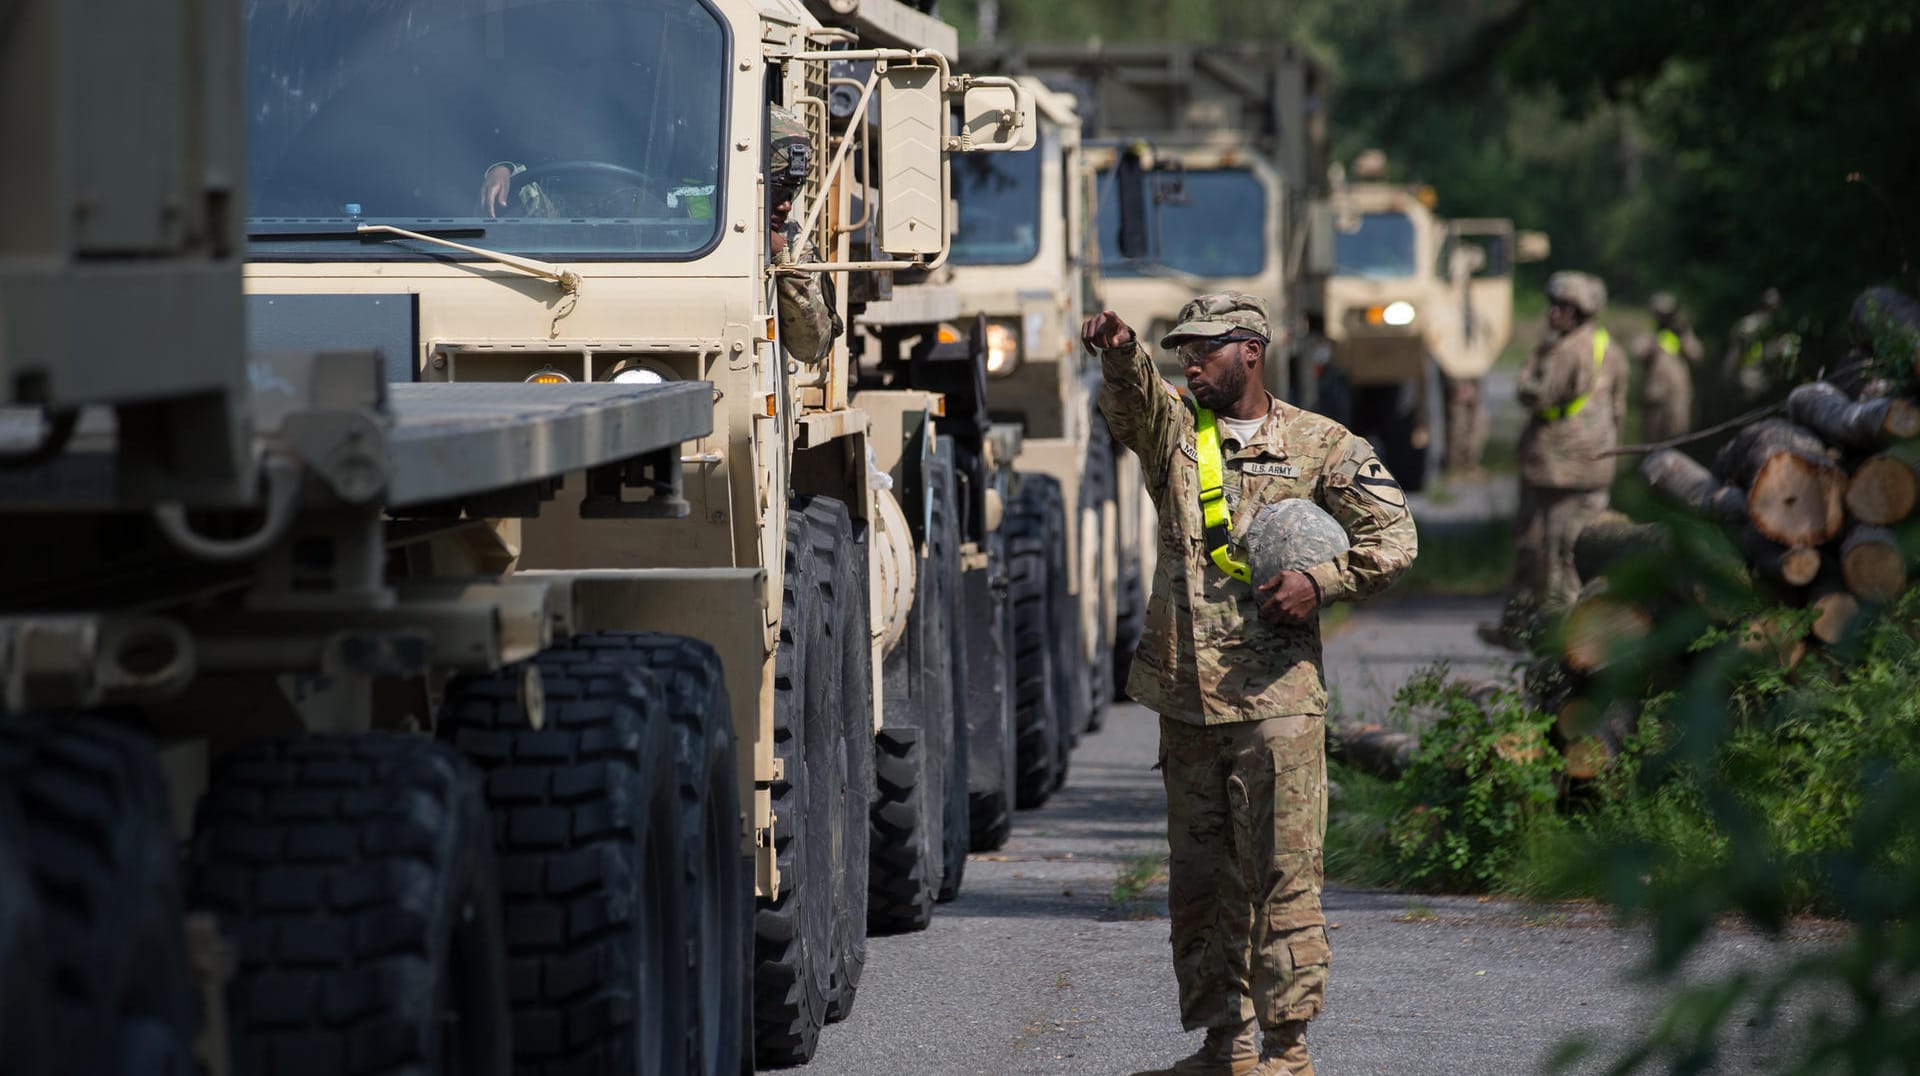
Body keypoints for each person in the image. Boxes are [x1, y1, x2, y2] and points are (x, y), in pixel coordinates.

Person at [1087, 291, 1418, 1076]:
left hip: (1276, 704)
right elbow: (1134, 401)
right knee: (1203, 889)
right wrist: (1120, 351)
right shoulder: (1174, 433)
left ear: (1252, 351)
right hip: (1187, 700)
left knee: (1283, 880)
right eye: (1180, 352)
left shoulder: (1321, 443)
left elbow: (1395, 538)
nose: (1189, 363)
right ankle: (1223, 1048)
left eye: (1204, 350)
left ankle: (1287, 1051)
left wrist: (1321, 581)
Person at [473, 107, 835, 364]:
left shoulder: (791, 244)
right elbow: (555, 215)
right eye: (774, 191)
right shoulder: (645, 201)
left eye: (791, 193)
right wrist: (507, 173)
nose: (786, 207)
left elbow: (812, 347)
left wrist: (783, 265)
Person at [1481, 271, 1626, 649]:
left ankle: (1549, 634)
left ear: (1580, 312)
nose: (1553, 314)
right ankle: (1543, 628)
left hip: (1555, 466)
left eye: (1562, 307)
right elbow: (1619, 409)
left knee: (1547, 551)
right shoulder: (1608, 347)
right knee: (1578, 546)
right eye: (1553, 306)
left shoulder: (1563, 351)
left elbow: (1534, 394)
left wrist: (1533, 360)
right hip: (1595, 463)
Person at [1630, 291, 1703, 445]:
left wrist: (1683, 337)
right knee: (1652, 442)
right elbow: (1637, 352)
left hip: (1677, 395)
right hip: (1654, 396)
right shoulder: (1648, 332)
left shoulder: (1681, 332)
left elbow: (1696, 355)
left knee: (1677, 438)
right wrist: (1655, 340)